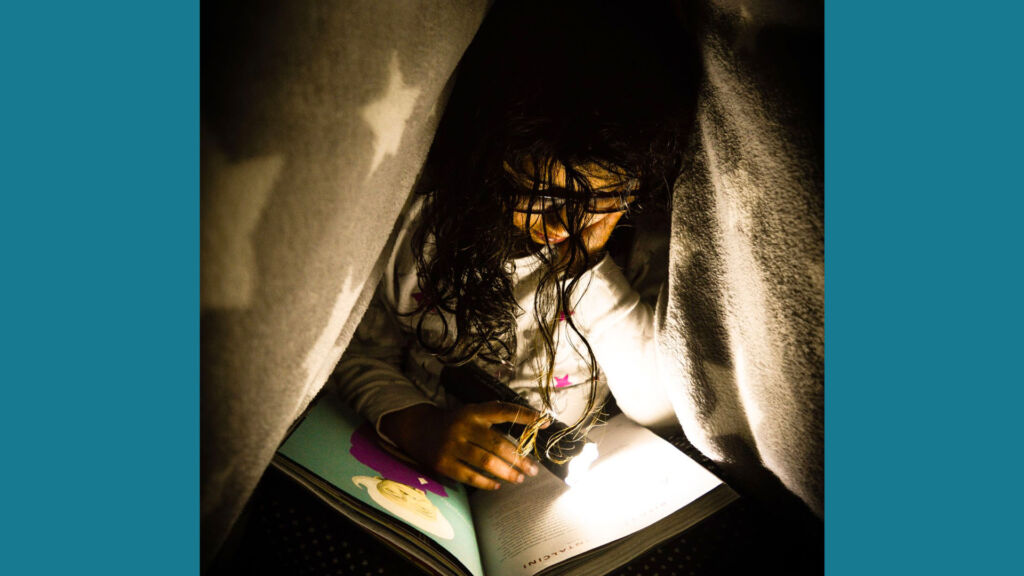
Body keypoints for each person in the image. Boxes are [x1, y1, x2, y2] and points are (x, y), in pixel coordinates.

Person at [332, 0, 701, 491]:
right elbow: (363, 355)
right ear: (492, 159)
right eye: (543, 196)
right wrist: (417, 425)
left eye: (603, 201)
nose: (565, 226)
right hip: (436, 463)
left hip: (566, 476)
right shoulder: (417, 238)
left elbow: (657, 404)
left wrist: (588, 269)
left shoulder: (630, 252)